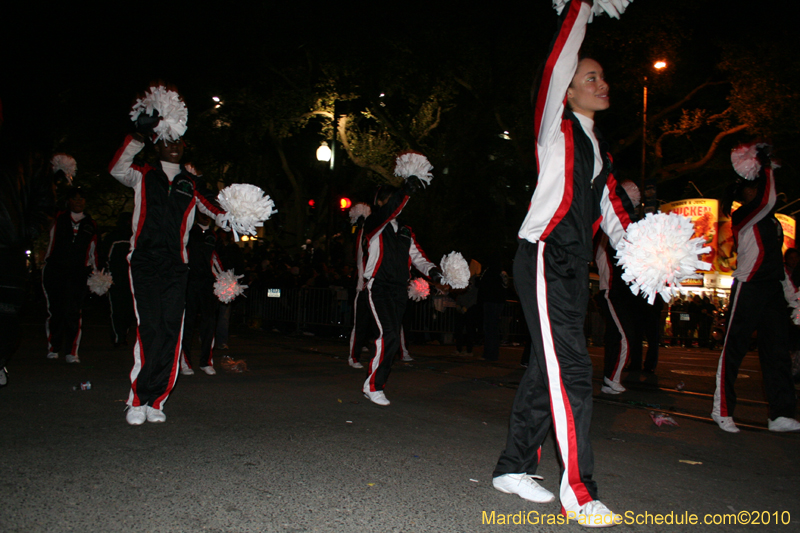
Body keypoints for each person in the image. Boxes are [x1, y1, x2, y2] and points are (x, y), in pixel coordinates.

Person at [492, 1, 636, 525]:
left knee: (545, 369)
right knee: (572, 369)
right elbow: (558, 61)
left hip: (575, 268)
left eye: (603, 76)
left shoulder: (600, 148)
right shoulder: (554, 126)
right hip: (544, 254)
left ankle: (512, 468)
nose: (603, 83)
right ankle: (578, 491)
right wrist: (583, 5)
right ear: (568, 92)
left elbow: (616, 213)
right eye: (590, 77)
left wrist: (651, 254)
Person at [109, 114, 224, 425]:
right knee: (150, 328)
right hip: (145, 262)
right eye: (167, 141)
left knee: (172, 330)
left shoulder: (192, 184)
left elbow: (219, 212)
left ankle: (157, 400)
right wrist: (138, 134)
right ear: (157, 145)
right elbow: (117, 167)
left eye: (179, 141)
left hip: (176, 266)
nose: (174, 145)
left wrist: (243, 210)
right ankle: (138, 399)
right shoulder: (143, 174)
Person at [711, 145, 800, 433]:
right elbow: (768, 198)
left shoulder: (771, 221)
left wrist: (794, 297)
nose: (760, 191)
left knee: (777, 353)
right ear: (746, 194)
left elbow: (777, 263)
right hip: (748, 286)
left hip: (772, 290)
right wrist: (766, 164)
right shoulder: (745, 215)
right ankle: (722, 410)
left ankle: (780, 415)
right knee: (733, 349)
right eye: (755, 187)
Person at [359, 179, 441, 406]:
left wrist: (433, 271)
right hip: (379, 286)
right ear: (381, 202)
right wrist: (405, 192)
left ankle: (374, 384)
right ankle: (373, 386)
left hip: (399, 290)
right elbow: (389, 210)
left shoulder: (406, 230)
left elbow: (417, 257)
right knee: (388, 335)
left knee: (393, 339)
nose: (396, 205)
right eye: (391, 199)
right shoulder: (374, 223)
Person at [0, 120, 55, 385]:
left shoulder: (25, 153)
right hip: (11, 242)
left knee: (6, 312)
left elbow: (45, 199)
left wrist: (26, 230)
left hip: (7, 247)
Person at [42, 187, 99, 364]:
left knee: (73, 312)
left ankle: (72, 351)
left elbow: (94, 251)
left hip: (78, 273)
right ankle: (54, 348)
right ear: (68, 201)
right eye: (74, 198)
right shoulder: (58, 217)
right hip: (55, 270)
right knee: (56, 310)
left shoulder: (91, 223)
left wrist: (97, 274)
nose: (78, 201)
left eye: (81, 198)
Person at [180, 210, 222, 376]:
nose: (205, 217)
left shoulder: (214, 236)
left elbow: (218, 259)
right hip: (189, 283)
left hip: (207, 284)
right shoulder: (188, 232)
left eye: (208, 214)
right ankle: (185, 361)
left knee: (209, 323)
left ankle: (206, 362)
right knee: (187, 323)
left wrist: (225, 279)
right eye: (202, 213)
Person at [104, 212, 135, 347]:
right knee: (117, 309)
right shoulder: (113, 237)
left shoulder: (136, 237)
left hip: (132, 280)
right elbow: (104, 257)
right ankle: (118, 337)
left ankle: (123, 334)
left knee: (129, 310)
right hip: (115, 280)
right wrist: (104, 276)